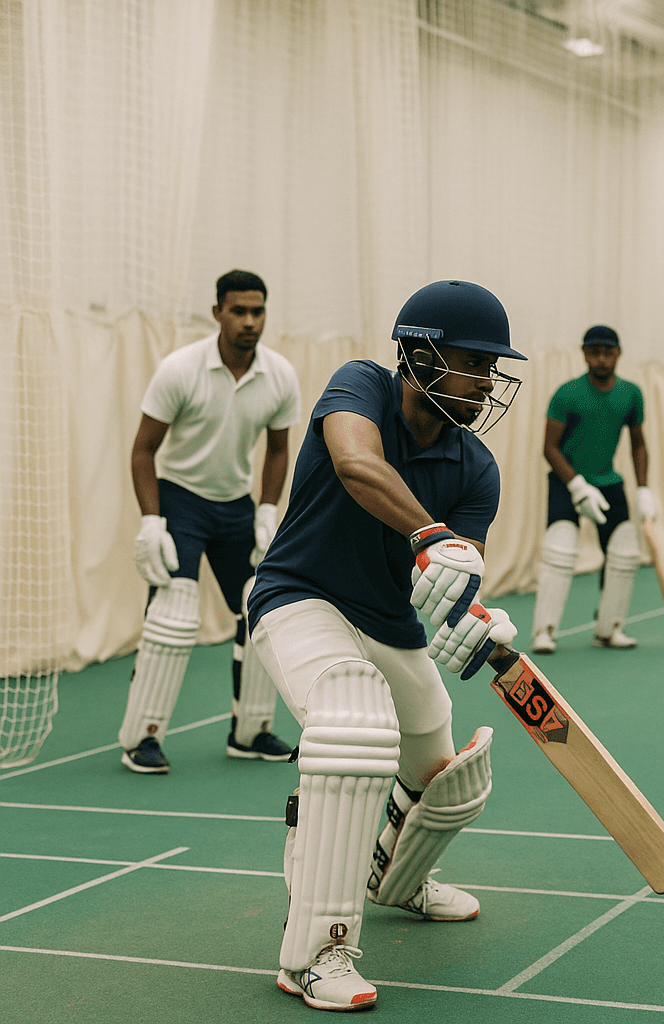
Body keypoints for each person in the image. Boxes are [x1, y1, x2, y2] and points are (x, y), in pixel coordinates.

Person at [246, 279, 526, 1012]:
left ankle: (394, 880)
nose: (487, 382)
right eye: (474, 362)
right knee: (351, 727)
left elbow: (452, 574)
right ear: (421, 356)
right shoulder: (360, 386)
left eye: (494, 368)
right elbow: (356, 464)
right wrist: (431, 537)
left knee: (447, 778)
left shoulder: (475, 468)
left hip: (387, 622)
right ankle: (315, 950)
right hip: (299, 597)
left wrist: (474, 619)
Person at [118, 269, 302, 773]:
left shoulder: (279, 375)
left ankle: (250, 732)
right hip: (181, 500)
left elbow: (279, 449)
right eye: (238, 311)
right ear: (217, 311)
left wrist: (267, 509)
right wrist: (152, 521)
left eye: (257, 311)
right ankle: (142, 739)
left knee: (260, 607)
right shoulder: (181, 369)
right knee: (174, 613)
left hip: (234, 504)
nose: (249, 321)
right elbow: (142, 450)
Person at [530, 325, 657, 654]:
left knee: (624, 550)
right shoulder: (567, 393)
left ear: (618, 354)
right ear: (584, 354)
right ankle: (544, 630)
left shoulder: (631, 393)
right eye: (594, 352)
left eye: (608, 352)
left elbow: (639, 445)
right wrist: (575, 485)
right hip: (566, 481)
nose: (601, 359)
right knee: (561, 545)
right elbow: (549, 447)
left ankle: (609, 626)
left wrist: (643, 489)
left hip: (608, 482)